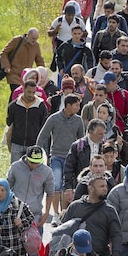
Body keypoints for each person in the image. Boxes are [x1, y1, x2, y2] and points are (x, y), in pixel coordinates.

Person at [7, 146, 54, 256]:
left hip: (35, 214)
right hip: (15, 213)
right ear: (26, 157)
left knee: (34, 249)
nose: (34, 165)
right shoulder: (15, 167)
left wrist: (46, 214)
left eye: (37, 162)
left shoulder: (47, 171)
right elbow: (7, 188)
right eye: (32, 161)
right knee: (16, 249)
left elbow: (50, 193)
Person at [36, 94, 84, 223]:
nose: (78, 108)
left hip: (71, 158)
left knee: (66, 185)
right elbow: (43, 135)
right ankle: (55, 214)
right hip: (56, 156)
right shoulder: (54, 118)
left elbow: (81, 140)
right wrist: (37, 151)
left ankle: (63, 214)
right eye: (76, 105)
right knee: (56, 185)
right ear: (68, 105)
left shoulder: (78, 120)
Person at [7, 82, 49, 164]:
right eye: (29, 92)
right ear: (23, 89)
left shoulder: (41, 106)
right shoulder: (14, 106)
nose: (31, 95)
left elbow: (43, 126)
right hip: (17, 143)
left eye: (33, 92)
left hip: (33, 144)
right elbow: (9, 122)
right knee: (15, 169)